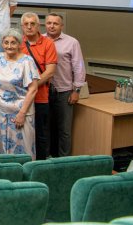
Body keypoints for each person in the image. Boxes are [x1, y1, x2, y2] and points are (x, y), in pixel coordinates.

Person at [0, 29, 40, 159]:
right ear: (2, 44)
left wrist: (22, 113)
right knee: (3, 149)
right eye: (6, 42)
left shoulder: (27, 61)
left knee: (24, 150)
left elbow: (33, 89)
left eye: (13, 43)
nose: (9, 46)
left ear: (19, 44)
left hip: (21, 113)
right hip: (1, 113)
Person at [44, 13, 86, 157]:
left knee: (64, 130)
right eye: (49, 23)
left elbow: (79, 67)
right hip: (43, 91)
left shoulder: (72, 42)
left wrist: (76, 90)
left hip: (64, 91)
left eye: (55, 23)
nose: (52, 26)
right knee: (45, 128)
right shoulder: (40, 40)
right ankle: (46, 159)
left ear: (62, 26)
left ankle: (64, 160)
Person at [20, 12, 57, 160]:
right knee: (22, 133)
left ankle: (41, 165)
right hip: (21, 98)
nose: (29, 27)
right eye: (26, 24)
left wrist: (31, 86)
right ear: (22, 26)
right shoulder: (17, 43)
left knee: (41, 134)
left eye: (32, 24)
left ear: (38, 26)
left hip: (40, 98)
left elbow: (50, 72)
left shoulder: (48, 43)